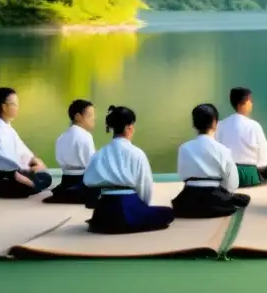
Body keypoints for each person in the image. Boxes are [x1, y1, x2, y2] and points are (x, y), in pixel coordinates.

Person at [83, 106, 175, 234]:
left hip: (104, 208)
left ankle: (106, 223)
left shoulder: (99, 154)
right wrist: (142, 207)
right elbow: (145, 187)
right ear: (129, 127)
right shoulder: (137, 153)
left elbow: (88, 181)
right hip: (129, 205)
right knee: (168, 213)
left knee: (104, 221)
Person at [172, 103, 252, 218]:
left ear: (194, 124)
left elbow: (183, 175)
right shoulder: (223, 150)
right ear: (215, 123)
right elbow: (232, 184)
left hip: (189, 201)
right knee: (243, 199)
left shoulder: (184, 148)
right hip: (215, 201)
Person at [0, 87, 53, 198]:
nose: (17, 108)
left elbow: (22, 150)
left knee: (45, 178)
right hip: (1, 180)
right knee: (30, 185)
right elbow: (4, 161)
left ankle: (31, 183)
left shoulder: (8, 128)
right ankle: (30, 185)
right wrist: (25, 175)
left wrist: (35, 161)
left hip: (14, 174)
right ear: (4, 107)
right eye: (14, 104)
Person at [214, 87, 267, 186]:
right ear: (242, 104)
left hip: (227, 175)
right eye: (249, 101)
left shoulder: (220, 125)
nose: (251, 104)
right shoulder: (254, 125)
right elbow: (264, 160)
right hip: (248, 176)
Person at [43, 99, 101, 205]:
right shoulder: (86, 136)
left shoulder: (61, 137)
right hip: (83, 179)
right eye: (90, 115)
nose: (94, 118)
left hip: (66, 179)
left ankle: (67, 192)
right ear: (78, 116)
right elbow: (93, 165)